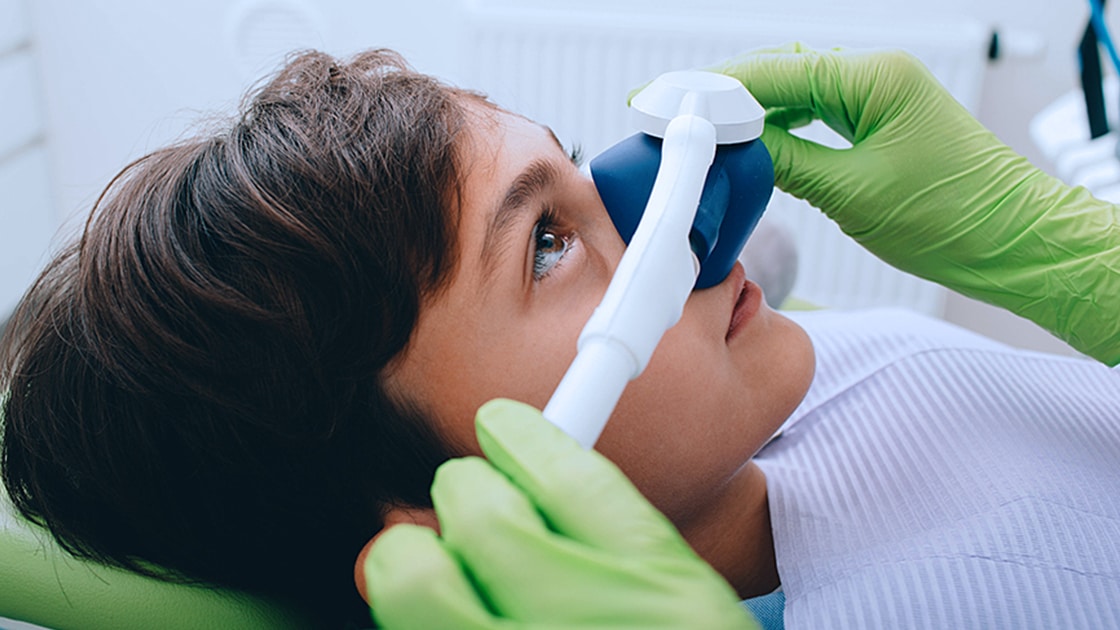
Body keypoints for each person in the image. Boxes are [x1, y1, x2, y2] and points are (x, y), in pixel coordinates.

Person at [358, 45, 1120, 628]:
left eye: (582, 163)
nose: (669, 198)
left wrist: (1081, 263)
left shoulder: (794, 378)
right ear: (446, 520)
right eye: (545, 246)